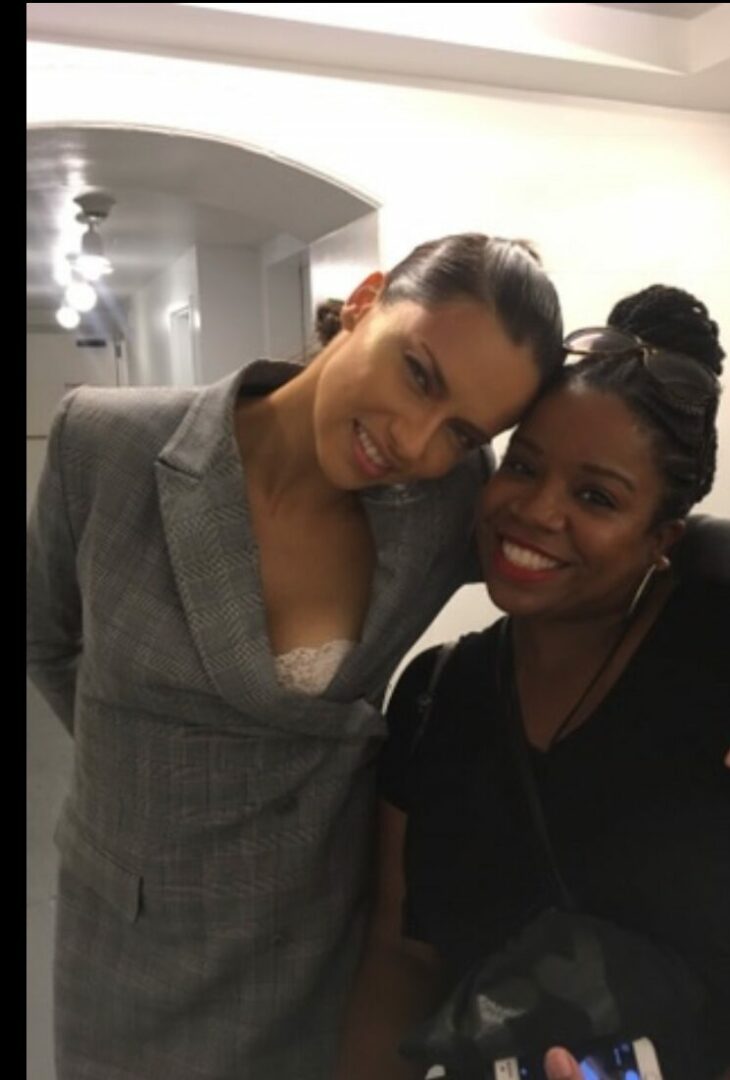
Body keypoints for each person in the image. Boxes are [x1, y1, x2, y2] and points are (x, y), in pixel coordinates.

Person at [26, 233, 566, 1080]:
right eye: (418, 374)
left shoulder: (443, 501)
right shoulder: (105, 441)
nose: (414, 440)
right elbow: (44, 634)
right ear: (366, 300)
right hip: (128, 935)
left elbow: (582, 547)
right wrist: (140, 766)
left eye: (462, 431)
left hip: (314, 947)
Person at [337, 285, 729, 1080]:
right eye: (523, 465)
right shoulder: (435, 697)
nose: (535, 510)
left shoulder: (708, 664)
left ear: (662, 539)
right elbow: (402, 955)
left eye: (595, 496)